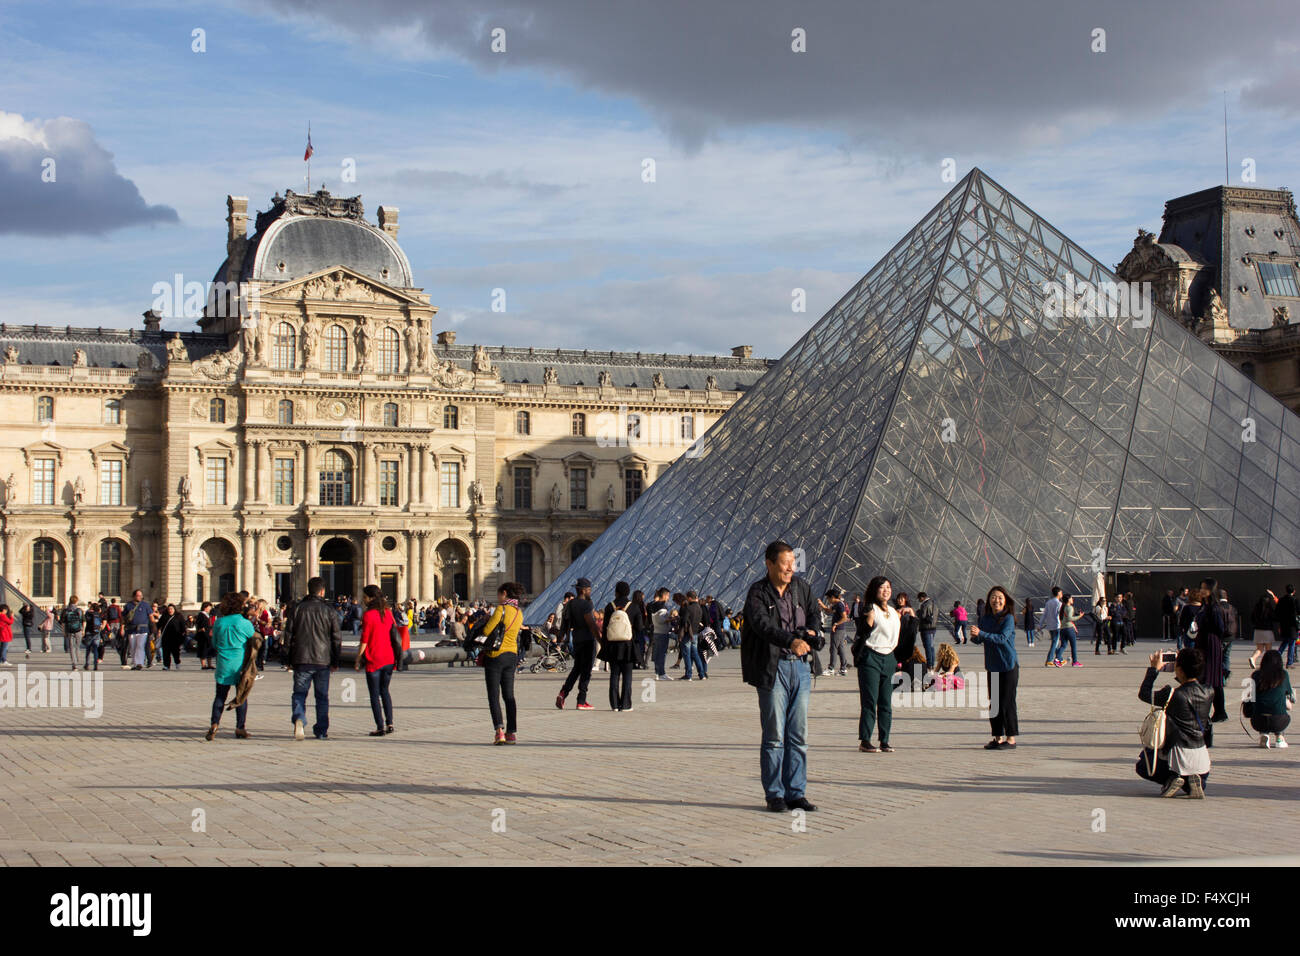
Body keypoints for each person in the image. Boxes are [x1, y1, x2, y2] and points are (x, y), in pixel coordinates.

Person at [742, 540, 820, 813]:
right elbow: (762, 625)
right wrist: (791, 640)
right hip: (772, 668)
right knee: (775, 735)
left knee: (798, 734)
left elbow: (814, 616)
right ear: (769, 564)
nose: (791, 568)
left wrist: (811, 633)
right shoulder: (757, 593)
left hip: (800, 667)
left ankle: (796, 793)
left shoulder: (802, 589)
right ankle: (775, 794)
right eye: (785, 563)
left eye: (793, 562)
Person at [1137, 647, 1211, 798]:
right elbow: (1193, 681)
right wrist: (1185, 665)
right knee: (1199, 781)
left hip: (1176, 755)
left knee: (1143, 764)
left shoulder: (1171, 695)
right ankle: (1192, 783)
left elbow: (1144, 694)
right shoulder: (1209, 691)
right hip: (1201, 757)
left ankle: (1172, 779)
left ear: (1180, 670)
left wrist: (1154, 669)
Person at [286, 576, 342, 740]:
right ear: (322, 591)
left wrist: (288, 658)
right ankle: (321, 730)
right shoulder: (329, 610)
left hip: (301, 658)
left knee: (299, 693)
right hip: (322, 659)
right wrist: (336, 660)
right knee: (322, 696)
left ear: (308, 589)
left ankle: (299, 718)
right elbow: (336, 638)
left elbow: (288, 635)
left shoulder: (297, 609)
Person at [853, 576, 900, 753]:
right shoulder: (869, 609)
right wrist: (869, 620)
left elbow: (899, 637)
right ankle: (865, 740)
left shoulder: (894, 612)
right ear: (874, 590)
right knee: (870, 701)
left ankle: (885, 740)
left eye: (888, 587)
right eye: (882, 587)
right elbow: (862, 633)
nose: (886, 590)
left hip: (889, 658)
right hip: (871, 657)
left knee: (886, 702)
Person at [971, 586, 1019, 749]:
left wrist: (982, 634)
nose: (996, 600)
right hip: (993, 665)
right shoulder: (985, 618)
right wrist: (974, 636)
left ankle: (1011, 738)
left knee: (1007, 702)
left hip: (1008, 665)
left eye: (999, 597)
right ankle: (997, 737)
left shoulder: (1008, 618)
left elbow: (1002, 638)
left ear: (1005, 600)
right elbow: (981, 639)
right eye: (993, 597)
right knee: (995, 704)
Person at [477, 582, 523, 742]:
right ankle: (511, 732)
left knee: (493, 695)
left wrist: (487, 619)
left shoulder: (501, 609)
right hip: (512, 655)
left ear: (504, 593)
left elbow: (487, 631)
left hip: (495, 655)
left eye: (499, 594)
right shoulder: (519, 612)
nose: (498, 598)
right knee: (509, 695)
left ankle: (499, 731)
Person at [206, 592, 254, 740]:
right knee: (241, 697)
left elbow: (214, 643)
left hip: (223, 663)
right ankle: (240, 728)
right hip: (240, 664)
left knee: (220, 696)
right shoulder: (244, 623)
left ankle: (214, 723)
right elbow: (254, 641)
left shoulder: (219, 622)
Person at [355, 584, 397, 737]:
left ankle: (380, 727)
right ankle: (390, 723)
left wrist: (358, 658)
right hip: (389, 658)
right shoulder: (388, 612)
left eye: (364, 597)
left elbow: (364, 639)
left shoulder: (368, 615)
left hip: (374, 658)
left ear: (371, 598)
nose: (363, 600)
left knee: (374, 694)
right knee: (385, 691)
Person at [556, 578, 601, 710]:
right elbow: (592, 624)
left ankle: (563, 693)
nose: (590, 592)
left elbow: (564, 623)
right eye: (589, 589)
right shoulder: (586, 605)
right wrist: (600, 639)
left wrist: (561, 637)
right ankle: (581, 700)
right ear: (583, 590)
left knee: (576, 669)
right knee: (586, 671)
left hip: (576, 639)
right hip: (588, 639)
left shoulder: (570, 604)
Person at [599, 581, 641, 712]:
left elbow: (605, 627)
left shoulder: (609, 607)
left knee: (614, 675)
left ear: (616, 592)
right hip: (628, 646)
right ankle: (626, 705)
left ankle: (615, 705)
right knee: (627, 676)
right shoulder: (634, 607)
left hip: (612, 646)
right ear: (628, 592)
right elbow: (640, 628)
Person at [1247, 650, 1293, 748]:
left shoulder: (1256, 675)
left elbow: (1249, 696)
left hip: (1257, 720)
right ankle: (1279, 738)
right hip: (1279, 720)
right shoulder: (1283, 675)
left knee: (1264, 707)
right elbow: (1289, 693)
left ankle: (1264, 734)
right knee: (1282, 708)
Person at [677, 590, 708, 681]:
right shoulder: (699, 608)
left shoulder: (688, 608)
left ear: (690, 598)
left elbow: (684, 620)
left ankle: (688, 675)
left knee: (686, 654)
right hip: (695, 633)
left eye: (687, 597)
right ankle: (702, 674)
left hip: (687, 634)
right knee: (695, 654)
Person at [647, 587, 674, 680]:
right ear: (664, 595)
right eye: (668, 596)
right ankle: (662, 673)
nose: (668, 598)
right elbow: (661, 619)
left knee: (657, 653)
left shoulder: (653, 605)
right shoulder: (662, 607)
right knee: (662, 654)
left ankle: (658, 672)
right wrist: (670, 619)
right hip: (662, 632)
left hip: (656, 632)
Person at [823, 588, 851, 676]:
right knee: (840, 648)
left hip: (838, 630)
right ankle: (843, 668)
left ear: (832, 597)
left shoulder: (839, 605)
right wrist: (821, 605)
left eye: (828, 598)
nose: (828, 600)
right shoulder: (836, 604)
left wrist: (835, 624)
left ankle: (831, 668)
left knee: (833, 648)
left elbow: (844, 617)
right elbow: (828, 611)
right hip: (840, 629)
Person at [1249, 589, 1278, 670]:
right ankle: (1268, 664)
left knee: (1260, 648)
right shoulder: (1269, 609)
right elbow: (1275, 617)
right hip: (1268, 631)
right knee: (1268, 649)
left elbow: (1252, 618)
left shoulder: (1256, 608)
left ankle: (1253, 658)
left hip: (1257, 631)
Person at [123, 590, 151, 670]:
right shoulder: (128, 605)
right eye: (138, 595)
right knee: (133, 646)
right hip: (131, 629)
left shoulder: (145, 605)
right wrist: (122, 627)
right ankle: (135, 663)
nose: (140, 597)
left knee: (140, 646)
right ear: (134, 596)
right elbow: (123, 617)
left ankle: (140, 663)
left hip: (143, 629)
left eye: (141, 595)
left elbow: (150, 615)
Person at [1276, 584, 1298, 669]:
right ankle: (1289, 662)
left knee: (1285, 642)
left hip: (1284, 625)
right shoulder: (1295, 600)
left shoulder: (1281, 600)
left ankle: (1275, 658)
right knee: (1292, 643)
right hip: (1292, 625)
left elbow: (1277, 612)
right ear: (1294, 591)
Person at [158, 603, 186, 669]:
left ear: (174, 609)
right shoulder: (164, 616)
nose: (170, 610)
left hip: (175, 637)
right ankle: (166, 665)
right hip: (166, 637)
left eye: (171, 609)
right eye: (169, 609)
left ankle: (177, 662)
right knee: (166, 652)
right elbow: (159, 625)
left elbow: (183, 626)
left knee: (175, 651)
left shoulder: (179, 616)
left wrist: (183, 634)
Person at [60, 596, 84, 672]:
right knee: (77, 646)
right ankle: (78, 660)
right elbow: (84, 621)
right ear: (76, 602)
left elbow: (63, 623)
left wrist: (63, 631)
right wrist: (83, 630)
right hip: (78, 630)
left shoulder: (65, 610)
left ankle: (74, 664)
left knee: (71, 648)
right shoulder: (79, 610)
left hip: (70, 631)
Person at [1040, 587, 1062, 667]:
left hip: (1050, 625)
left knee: (1055, 643)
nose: (1062, 594)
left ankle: (1060, 658)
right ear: (1058, 593)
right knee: (1055, 643)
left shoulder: (1048, 603)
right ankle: (1049, 660)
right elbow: (1060, 615)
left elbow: (1044, 614)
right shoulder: (1059, 604)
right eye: (1061, 592)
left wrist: (1040, 624)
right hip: (1057, 625)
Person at [916, 590, 939, 667]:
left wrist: (918, 612)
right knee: (931, 646)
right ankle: (932, 663)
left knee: (927, 646)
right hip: (933, 628)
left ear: (922, 597)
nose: (919, 600)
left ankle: (929, 664)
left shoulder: (925, 605)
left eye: (919, 599)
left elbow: (922, 616)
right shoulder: (934, 603)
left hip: (926, 628)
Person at [1058, 593, 1081, 667]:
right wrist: (1079, 616)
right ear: (1068, 599)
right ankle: (1075, 662)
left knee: (1063, 645)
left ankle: (1057, 658)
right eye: (1071, 598)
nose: (1072, 599)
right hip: (1069, 628)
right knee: (1073, 646)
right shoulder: (1070, 608)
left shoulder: (1063, 607)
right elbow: (1070, 618)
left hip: (1063, 628)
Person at [195, 602, 214, 669]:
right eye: (209, 607)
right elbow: (200, 625)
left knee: (209, 650)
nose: (210, 608)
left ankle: (209, 664)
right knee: (203, 650)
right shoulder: (201, 614)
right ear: (205, 607)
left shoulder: (209, 615)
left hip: (209, 635)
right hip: (203, 636)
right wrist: (203, 630)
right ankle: (203, 665)